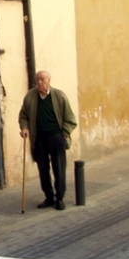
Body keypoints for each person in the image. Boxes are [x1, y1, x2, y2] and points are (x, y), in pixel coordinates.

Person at [18, 70, 77, 210]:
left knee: (59, 168)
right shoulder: (31, 96)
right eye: (37, 80)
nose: (39, 82)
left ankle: (60, 198)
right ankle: (49, 197)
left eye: (43, 79)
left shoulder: (59, 96)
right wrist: (25, 127)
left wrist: (65, 133)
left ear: (49, 81)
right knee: (43, 169)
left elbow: (70, 119)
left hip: (56, 137)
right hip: (39, 138)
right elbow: (23, 115)